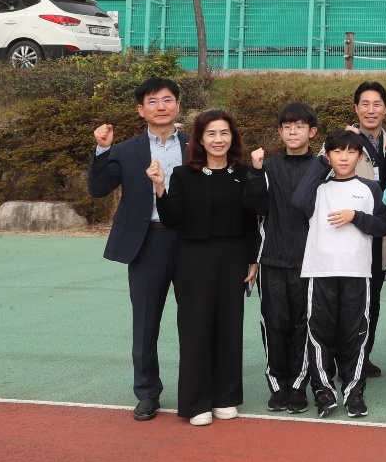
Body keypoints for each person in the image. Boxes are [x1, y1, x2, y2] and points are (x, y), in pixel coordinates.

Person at [149, 109, 266, 425]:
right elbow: (173, 219)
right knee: (196, 328)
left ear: (233, 137)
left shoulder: (243, 174)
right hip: (194, 260)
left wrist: (253, 260)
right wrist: (160, 187)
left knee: (229, 327)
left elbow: (253, 218)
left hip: (233, 258)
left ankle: (225, 397)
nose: (219, 139)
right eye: (211, 133)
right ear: (200, 139)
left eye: (224, 133)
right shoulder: (184, 175)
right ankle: (195, 403)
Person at [88, 77, 189, 421]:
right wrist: (102, 149)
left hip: (192, 242)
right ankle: (147, 393)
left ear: (177, 105)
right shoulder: (126, 150)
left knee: (195, 320)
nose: (161, 106)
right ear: (140, 109)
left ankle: (195, 390)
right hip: (148, 243)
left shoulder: (197, 145)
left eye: (167, 99)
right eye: (152, 101)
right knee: (146, 323)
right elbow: (99, 188)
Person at [291, 130, 386, 418]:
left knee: (354, 334)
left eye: (351, 152)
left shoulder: (369, 188)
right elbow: (298, 202)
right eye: (337, 152)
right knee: (319, 334)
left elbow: (384, 226)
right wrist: (321, 164)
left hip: (357, 273)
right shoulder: (318, 188)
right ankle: (324, 391)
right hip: (320, 271)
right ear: (328, 155)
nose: (344, 157)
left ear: (360, 157)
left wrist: (356, 217)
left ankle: (354, 392)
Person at [251, 102, 321, 414]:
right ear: (280, 132)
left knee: (304, 325)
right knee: (275, 323)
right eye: (287, 127)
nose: (293, 131)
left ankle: (298, 386)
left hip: (310, 262)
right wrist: (254, 171)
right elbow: (254, 208)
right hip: (272, 261)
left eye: (300, 126)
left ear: (312, 131)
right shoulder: (268, 167)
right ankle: (277, 384)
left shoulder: (323, 169)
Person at [351, 81, 386, 378]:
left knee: (374, 297)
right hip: (350, 231)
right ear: (356, 108)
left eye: (377, 104)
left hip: (381, 233)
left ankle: (363, 354)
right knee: (347, 296)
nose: (371, 110)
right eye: (365, 104)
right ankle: (339, 354)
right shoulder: (343, 141)